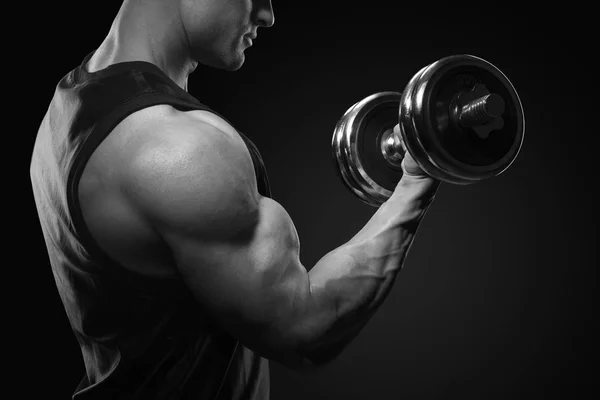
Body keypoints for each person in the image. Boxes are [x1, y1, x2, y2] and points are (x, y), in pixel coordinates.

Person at [29, 0, 440, 399]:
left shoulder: (68, 104)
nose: (268, 14)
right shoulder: (175, 147)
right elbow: (306, 330)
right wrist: (416, 182)